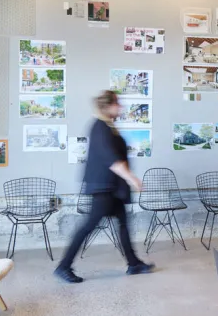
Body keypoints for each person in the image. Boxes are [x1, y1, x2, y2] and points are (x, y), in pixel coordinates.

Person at [55, 90, 153, 283]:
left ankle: (133, 264)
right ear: (108, 106)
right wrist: (132, 178)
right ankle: (63, 266)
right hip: (103, 188)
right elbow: (111, 158)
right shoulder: (99, 127)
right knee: (88, 227)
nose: (121, 107)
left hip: (112, 188)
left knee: (124, 224)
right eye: (118, 104)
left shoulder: (108, 126)